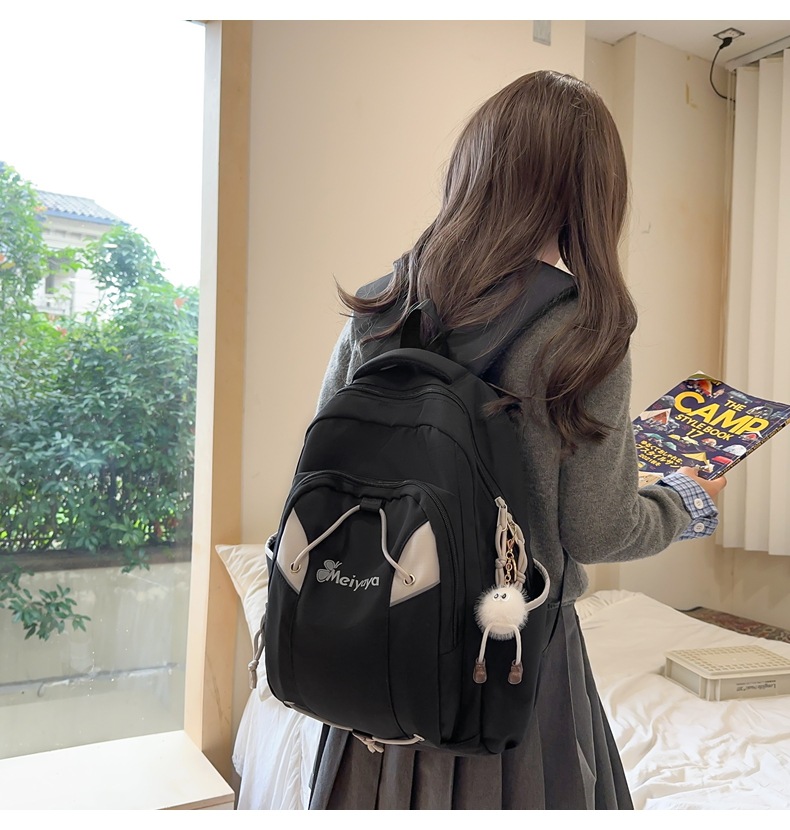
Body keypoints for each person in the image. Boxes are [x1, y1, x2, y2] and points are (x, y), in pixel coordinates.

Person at [306, 69, 727, 810]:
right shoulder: (582, 330)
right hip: (502, 660)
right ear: (591, 194)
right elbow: (596, 530)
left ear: (473, 167)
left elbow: (322, 473)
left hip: (370, 644)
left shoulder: (379, 304)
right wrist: (685, 501)